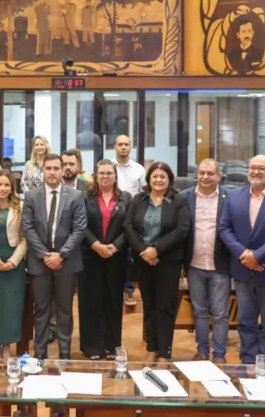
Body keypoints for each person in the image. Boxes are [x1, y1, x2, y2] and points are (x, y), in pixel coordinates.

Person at [217, 155, 265, 364]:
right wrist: (245, 254)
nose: (257, 172)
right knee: (245, 320)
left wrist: (258, 256)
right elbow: (224, 228)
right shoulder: (233, 197)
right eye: (253, 167)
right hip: (242, 268)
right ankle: (248, 361)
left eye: (262, 168)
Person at [20, 154, 87, 360]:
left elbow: (80, 229)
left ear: (62, 170)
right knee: (41, 310)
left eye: (56, 168)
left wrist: (61, 255)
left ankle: (64, 355)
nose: (52, 172)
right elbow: (27, 228)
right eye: (48, 168)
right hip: (39, 264)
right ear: (43, 171)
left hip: (67, 264)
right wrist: (45, 255)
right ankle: (40, 356)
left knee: (65, 311)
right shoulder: (31, 196)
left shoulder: (75, 196)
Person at [124, 162, 191, 362]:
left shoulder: (179, 201)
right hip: (143, 260)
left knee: (165, 307)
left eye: (163, 176)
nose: (158, 180)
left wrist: (156, 249)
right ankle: (152, 348)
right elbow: (128, 225)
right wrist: (143, 250)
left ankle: (164, 352)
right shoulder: (139, 199)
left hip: (168, 262)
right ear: (148, 179)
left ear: (169, 179)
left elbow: (182, 230)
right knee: (149, 306)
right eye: (155, 176)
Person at [180, 158, 231, 363]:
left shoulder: (230, 197)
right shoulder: (185, 197)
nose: (205, 177)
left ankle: (219, 355)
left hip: (220, 264)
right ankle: (202, 351)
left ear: (219, 176)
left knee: (220, 313)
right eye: (202, 173)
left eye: (210, 173)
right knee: (199, 311)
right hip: (194, 264)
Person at [79, 160, 130, 360]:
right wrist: (96, 245)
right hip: (90, 257)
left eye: (109, 173)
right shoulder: (85, 197)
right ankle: (92, 347)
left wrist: (115, 246)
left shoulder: (126, 198)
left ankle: (111, 346)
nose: (105, 176)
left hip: (116, 258)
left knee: (113, 301)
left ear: (115, 176)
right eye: (101, 173)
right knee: (91, 302)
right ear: (96, 175)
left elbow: (130, 226)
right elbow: (80, 224)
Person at [0, 170, 27, 359]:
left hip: (14, 266)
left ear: (12, 187)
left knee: (12, 306)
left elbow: (25, 238)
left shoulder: (21, 206)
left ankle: (8, 345)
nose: (2, 188)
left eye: (6, 185)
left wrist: (13, 261)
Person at [112, 134, 145, 304]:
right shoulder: (109, 166)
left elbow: (143, 192)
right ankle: (113, 288)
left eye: (126, 144)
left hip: (132, 215)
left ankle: (129, 289)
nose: (123, 147)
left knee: (129, 253)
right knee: (113, 250)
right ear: (115, 147)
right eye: (120, 144)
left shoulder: (139, 169)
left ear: (131, 147)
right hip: (111, 214)